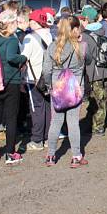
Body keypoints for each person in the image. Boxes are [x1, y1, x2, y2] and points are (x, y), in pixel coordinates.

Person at [43, 15, 89, 168]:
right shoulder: (82, 46)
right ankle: (76, 156)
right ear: (75, 29)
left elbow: (46, 70)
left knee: (55, 122)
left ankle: (50, 155)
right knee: (73, 123)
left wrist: (50, 85)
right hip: (75, 88)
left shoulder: (52, 46)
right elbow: (87, 63)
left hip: (57, 87)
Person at [0, 10, 28, 165]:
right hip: (11, 81)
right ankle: (10, 153)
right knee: (11, 118)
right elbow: (11, 57)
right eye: (15, 22)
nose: (17, 25)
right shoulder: (12, 40)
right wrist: (23, 57)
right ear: (9, 24)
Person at [80, 6, 107, 136]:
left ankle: (96, 127)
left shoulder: (84, 35)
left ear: (86, 19)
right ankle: (98, 126)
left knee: (94, 100)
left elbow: (85, 56)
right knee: (103, 99)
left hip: (93, 72)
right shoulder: (104, 30)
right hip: (106, 70)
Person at [20, 8, 53, 151]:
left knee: (36, 109)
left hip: (33, 79)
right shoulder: (51, 35)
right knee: (47, 108)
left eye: (31, 20)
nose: (29, 23)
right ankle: (47, 138)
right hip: (48, 78)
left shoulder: (29, 38)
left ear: (37, 22)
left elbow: (23, 57)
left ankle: (37, 140)